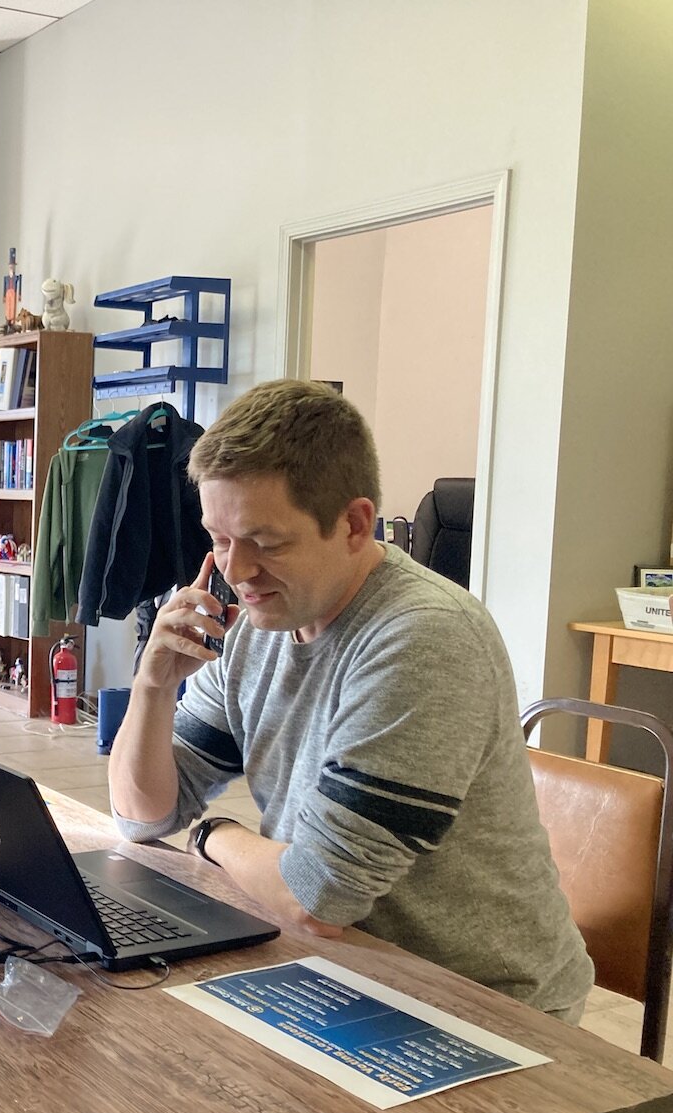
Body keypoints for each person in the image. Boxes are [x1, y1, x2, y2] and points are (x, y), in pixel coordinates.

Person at [108, 379, 593, 1019]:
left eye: (267, 542)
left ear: (356, 525)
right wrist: (152, 686)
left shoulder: (423, 638)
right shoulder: (262, 628)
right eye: (220, 540)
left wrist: (213, 836)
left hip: (479, 1002)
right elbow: (142, 815)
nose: (238, 571)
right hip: (340, 965)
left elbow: (316, 895)